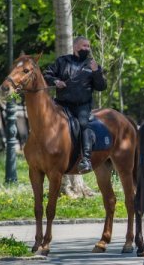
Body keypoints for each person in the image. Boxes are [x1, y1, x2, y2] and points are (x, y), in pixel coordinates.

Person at [43, 36, 107, 173]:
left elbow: (101, 87)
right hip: (61, 103)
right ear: (75, 47)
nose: (87, 49)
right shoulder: (62, 61)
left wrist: (97, 72)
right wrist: (55, 81)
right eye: (84, 46)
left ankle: (86, 160)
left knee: (83, 124)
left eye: (88, 46)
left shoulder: (92, 64)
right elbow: (47, 75)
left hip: (82, 106)